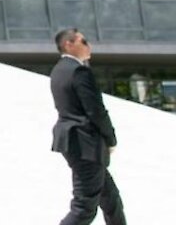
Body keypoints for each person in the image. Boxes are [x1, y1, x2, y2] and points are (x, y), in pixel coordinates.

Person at [51, 28, 127, 225]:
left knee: (111, 199)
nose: (89, 45)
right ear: (69, 44)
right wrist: (110, 139)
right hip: (86, 145)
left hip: (75, 142)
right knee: (84, 207)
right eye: (83, 41)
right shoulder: (79, 71)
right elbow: (95, 111)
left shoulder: (59, 70)